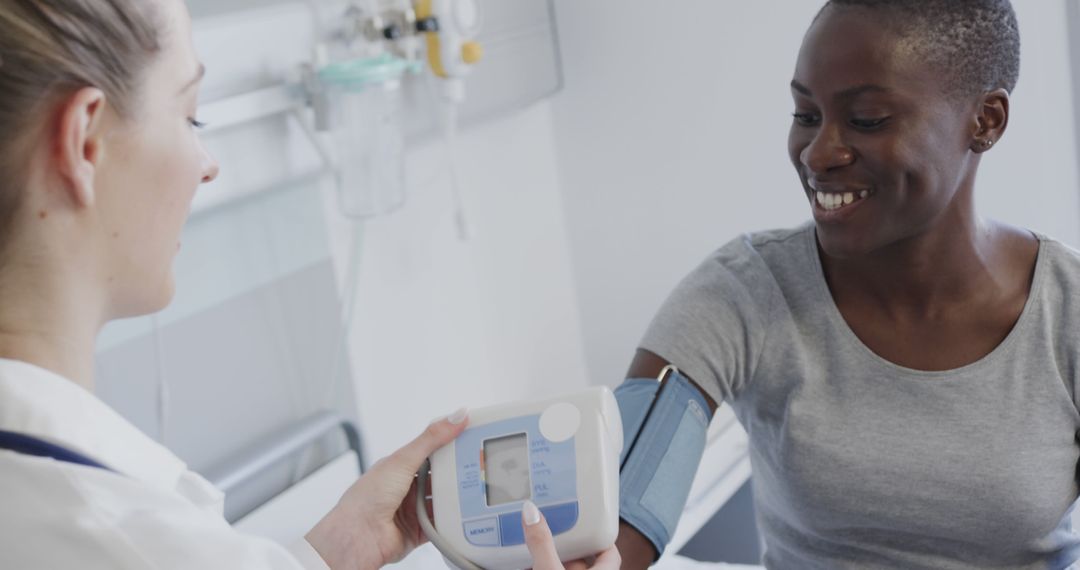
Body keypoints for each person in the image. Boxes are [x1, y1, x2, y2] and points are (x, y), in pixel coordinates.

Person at [0, 1, 620, 569]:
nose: (207, 163)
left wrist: (332, 552)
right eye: (191, 115)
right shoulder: (122, 537)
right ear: (85, 141)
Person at [614, 0, 1080, 568]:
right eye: (806, 115)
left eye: (867, 120)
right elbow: (617, 520)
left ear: (985, 121)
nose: (818, 153)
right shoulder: (743, 294)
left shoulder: (1067, 310)